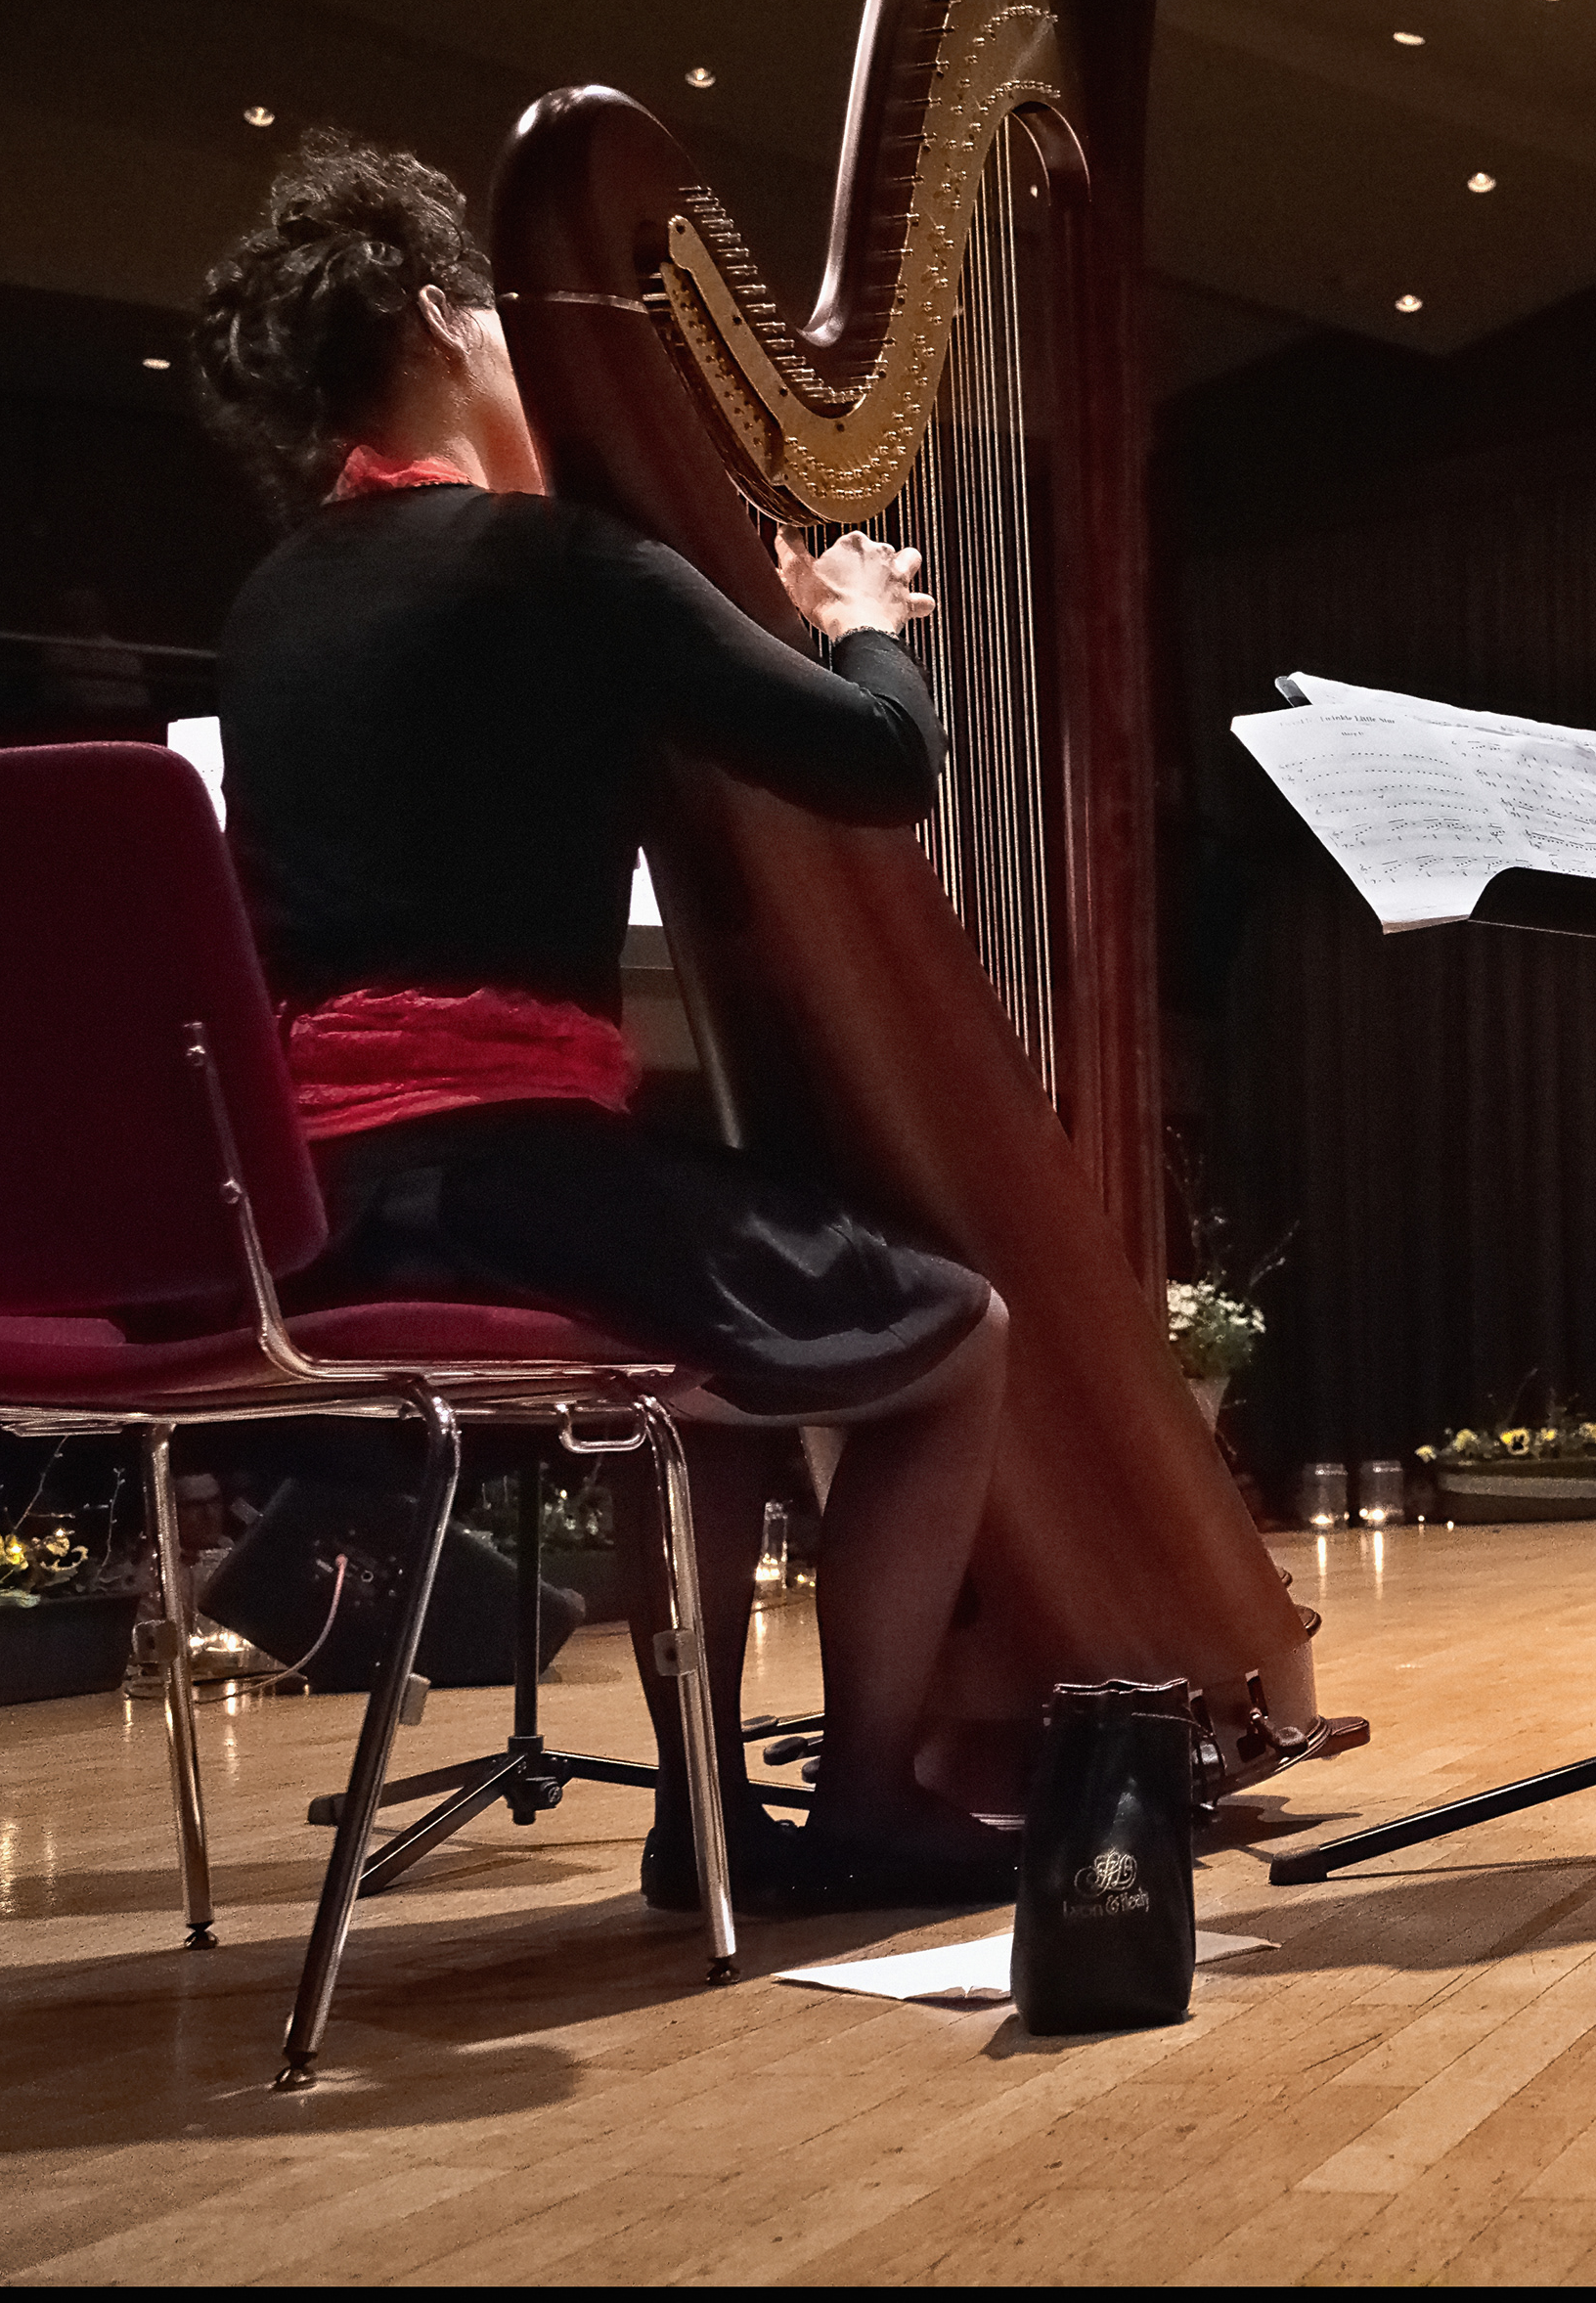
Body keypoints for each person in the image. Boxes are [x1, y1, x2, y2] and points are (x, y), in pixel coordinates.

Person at [192, 130, 1017, 1912]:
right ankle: (870, 1794)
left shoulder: (271, 605)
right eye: (491, 312)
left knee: (699, 1384)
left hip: (310, 1210)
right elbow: (883, 767)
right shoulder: (550, 566)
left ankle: (703, 1804)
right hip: (508, 1181)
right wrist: (862, 619)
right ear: (437, 312)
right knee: (959, 1338)